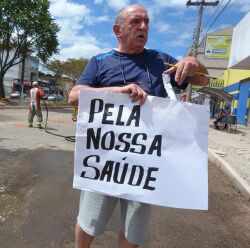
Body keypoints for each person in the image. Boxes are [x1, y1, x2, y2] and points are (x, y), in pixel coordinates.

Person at [68, 4, 209, 248]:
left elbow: (202, 79)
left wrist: (194, 62)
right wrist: (116, 91)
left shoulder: (160, 60)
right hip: (105, 162)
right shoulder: (100, 61)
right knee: (89, 221)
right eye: (135, 21)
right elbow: (74, 96)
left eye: (146, 22)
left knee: (133, 231)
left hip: (146, 166)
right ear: (117, 29)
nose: (143, 26)